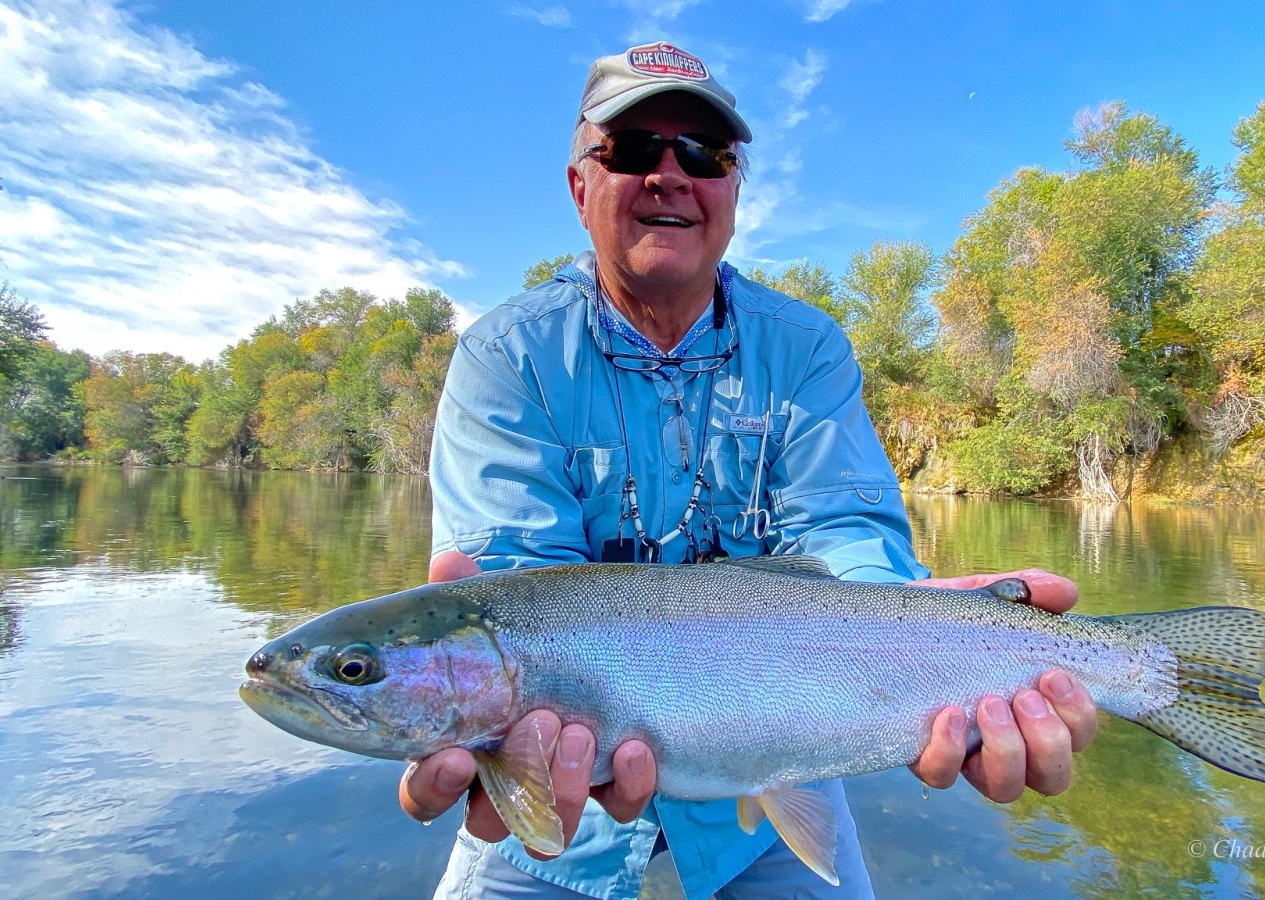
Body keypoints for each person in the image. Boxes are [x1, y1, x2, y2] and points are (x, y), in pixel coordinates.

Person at [399, 41, 1098, 900]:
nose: (670, 174)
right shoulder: (507, 356)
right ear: (581, 187)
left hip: (785, 758)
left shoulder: (805, 347)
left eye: (703, 153)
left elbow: (844, 536)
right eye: (630, 149)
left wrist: (923, 623)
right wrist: (483, 733)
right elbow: (517, 590)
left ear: (732, 189)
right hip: (551, 814)